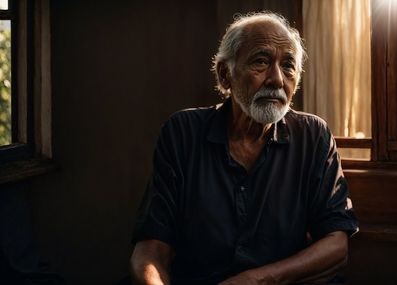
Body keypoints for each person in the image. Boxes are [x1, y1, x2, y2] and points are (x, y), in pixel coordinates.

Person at [129, 12, 358, 285]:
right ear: (226, 75)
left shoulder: (314, 136)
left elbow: (336, 244)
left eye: (288, 66)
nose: (276, 79)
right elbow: (150, 250)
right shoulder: (183, 132)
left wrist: (258, 280)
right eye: (261, 62)